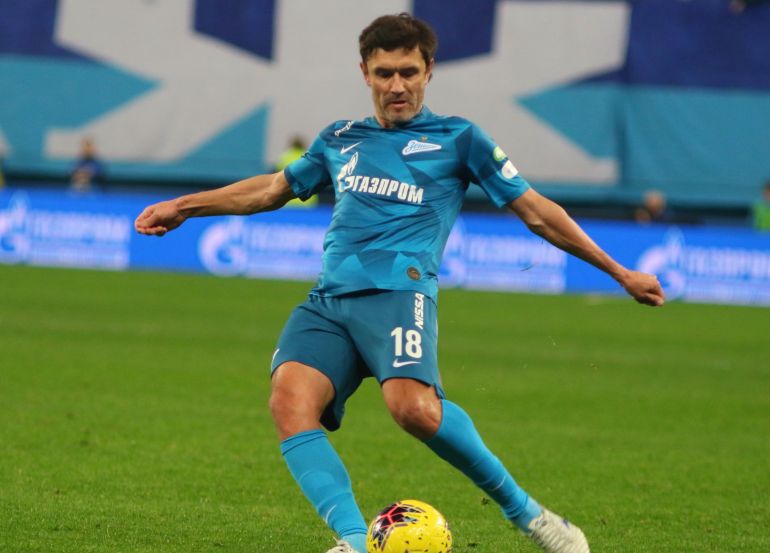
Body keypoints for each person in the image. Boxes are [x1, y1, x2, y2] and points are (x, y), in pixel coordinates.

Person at [135, 13, 665, 553]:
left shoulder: (459, 139)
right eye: (384, 73)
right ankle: (353, 541)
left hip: (398, 297)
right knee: (288, 402)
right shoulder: (340, 139)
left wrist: (619, 271)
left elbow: (537, 212)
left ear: (429, 71)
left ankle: (528, 514)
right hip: (329, 303)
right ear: (364, 73)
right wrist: (184, 206)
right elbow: (271, 190)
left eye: (408, 72)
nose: (397, 86)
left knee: (413, 410)